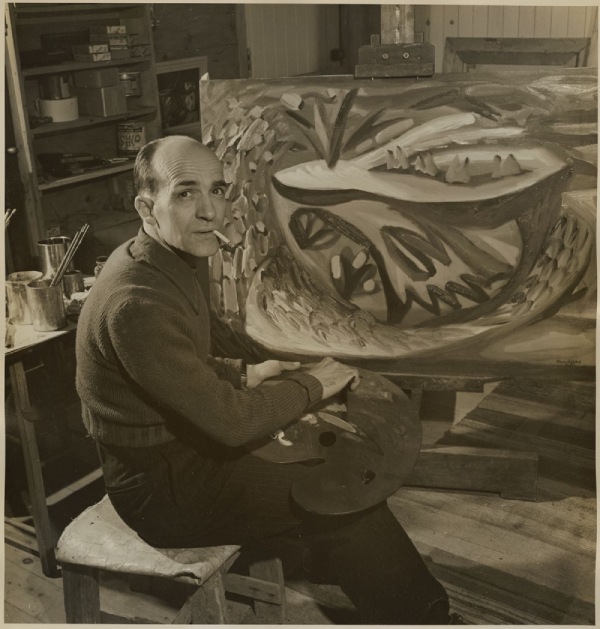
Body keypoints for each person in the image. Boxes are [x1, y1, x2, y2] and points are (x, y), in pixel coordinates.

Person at [76, 135, 461, 624]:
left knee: (331, 473)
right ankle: (425, 617)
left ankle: (371, 574)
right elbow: (230, 425)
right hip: (161, 492)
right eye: (186, 193)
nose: (211, 211)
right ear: (147, 207)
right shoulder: (136, 300)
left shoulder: (163, 260)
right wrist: (312, 385)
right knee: (344, 494)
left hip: (181, 456)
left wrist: (246, 371)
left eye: (218, 190)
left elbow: (175, 369)